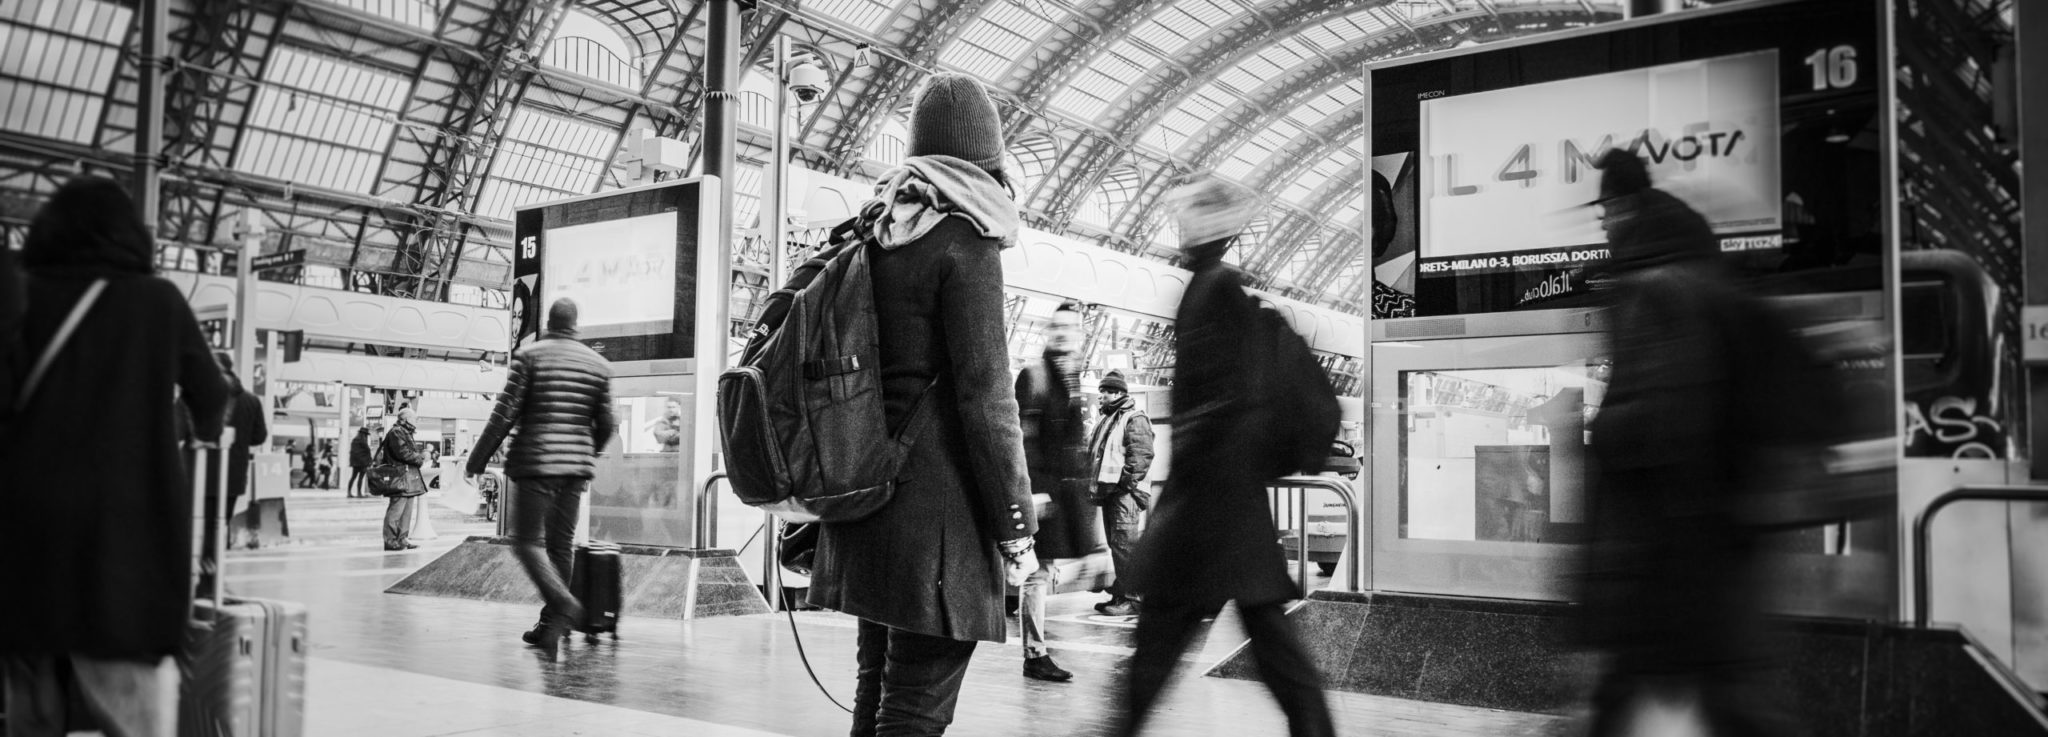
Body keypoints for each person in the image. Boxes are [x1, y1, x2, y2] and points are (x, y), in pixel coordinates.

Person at [806, 72, 1039, 737]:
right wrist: (1015, 524)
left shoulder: (870, 231)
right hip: (935, 529)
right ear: (987, 154)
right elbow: (986, 398)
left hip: (862, 502)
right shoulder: (966, 242)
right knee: (913, 710)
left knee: (878, 694)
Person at [1577, 149, 1798, 737]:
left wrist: (1597, 434)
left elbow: (1649, 432)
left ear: (1621, 206)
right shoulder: (1708, 278)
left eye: (1603, 210)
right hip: (1720, 560)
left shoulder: (1653, 290)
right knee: (1725, 703)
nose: (1601, 223)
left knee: (1640, 708)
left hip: (1664, 569)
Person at [0, 176, 229, 737]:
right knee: (134, 720)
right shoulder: (157, 300)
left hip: (25, 541)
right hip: (124, 546)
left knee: (31, 714)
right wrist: (195, 434)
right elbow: (214, 394)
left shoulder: (20, 290)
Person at [1113, 176, 1335, 737]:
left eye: (1191, 215)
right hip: (1224, 509)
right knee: (1268, 650)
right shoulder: (1214, 290)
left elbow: (1227, 406)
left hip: (1208, 512)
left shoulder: (1213, 294)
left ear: (1211, 226)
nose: (1181, 226)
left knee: (1158, 657)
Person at [466, 298, 616, 661]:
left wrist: (477, 460)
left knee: (525, 542)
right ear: (576, 324)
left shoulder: (530, 356)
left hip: (536, 464)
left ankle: (565, 603)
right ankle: (551, 626)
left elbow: (503, 414)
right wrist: (585, 453)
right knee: (561, 546)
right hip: (575, 470)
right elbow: (608, 424)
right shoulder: (598, 364)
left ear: (549, 321)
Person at [1013, 301, 1100, 682]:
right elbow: (1024, 437)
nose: (1064, 333)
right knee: (1035, 572)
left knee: (1043, 570)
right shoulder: (1036, 376)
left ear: (1080, 336)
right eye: (1058, 326)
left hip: (1063, 495)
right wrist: (1035, 489)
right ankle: (1034, 654)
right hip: (1042, 492)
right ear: (1050, 332)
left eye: (1072, 328)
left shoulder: (1073, 379)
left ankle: (1037, 648)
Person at [1089, 369, 1154, 617]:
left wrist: (1124, 484)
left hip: (1125, 493)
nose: (1101, 396)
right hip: (1111, 493)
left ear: (1117, 392)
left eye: (1104, 392)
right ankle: (1121, 594)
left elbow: (1141, 456)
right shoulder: (1108, 419)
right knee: (1118, 545)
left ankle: (1133, 598)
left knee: (1125, 545)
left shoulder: (1134, 418)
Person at [208, 352, 269, 558]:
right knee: (221, 520)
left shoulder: (199, 395)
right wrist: (239, 440)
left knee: (198, 521)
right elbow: (259, 436)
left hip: (199, 471)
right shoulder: (251, 401)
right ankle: (215, 567)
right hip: (232, 472)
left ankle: (201, 570)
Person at [380, 406, 431, 551]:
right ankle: (390, 541)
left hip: (407, 477)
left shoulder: (404, 432)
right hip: (399, 477)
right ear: (407, 419)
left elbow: (407, 452)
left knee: (406, 511)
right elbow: (403, 453)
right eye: (414, 418)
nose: (416, 421)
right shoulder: (397, 432)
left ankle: (402, 539)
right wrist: (420, 458)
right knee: (396, 510)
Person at [348, 422, 375, 497]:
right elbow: (367, 452)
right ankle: (359, 493)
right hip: (363, 463)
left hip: (355, 463)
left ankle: (349, 492)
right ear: (364, 434)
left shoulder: (354, 440)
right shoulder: (363, 442)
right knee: (360, 478)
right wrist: (369, 461)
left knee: (353, 477)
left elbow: (353, 453)